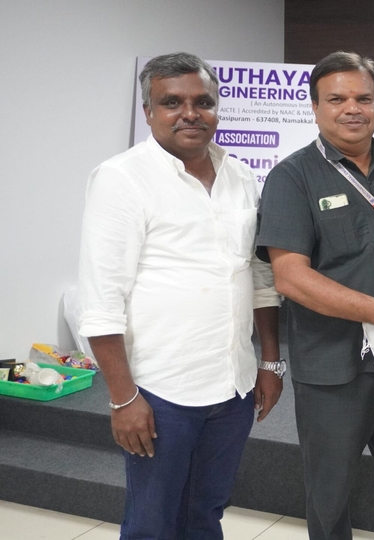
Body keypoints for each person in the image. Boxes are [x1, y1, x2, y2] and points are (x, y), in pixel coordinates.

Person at [77, 52, 283, 539]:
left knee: (206, 512)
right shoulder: (121, 179)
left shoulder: (241, 176)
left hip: (232, 385)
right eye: (172, 102)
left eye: (202, 102)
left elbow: (259, 277)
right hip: (160, 389)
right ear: (148, 111)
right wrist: (123, 398)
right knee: (152, 523)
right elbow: (101, 302)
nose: (190, 113)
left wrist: (270, 362)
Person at [256, 51, 374, 540]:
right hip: (334, 366)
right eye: (337, 99)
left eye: (364, 98)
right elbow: (290, 278)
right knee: (330, 495)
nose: (352, 109)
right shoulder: (292, 178)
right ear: (315, 107)